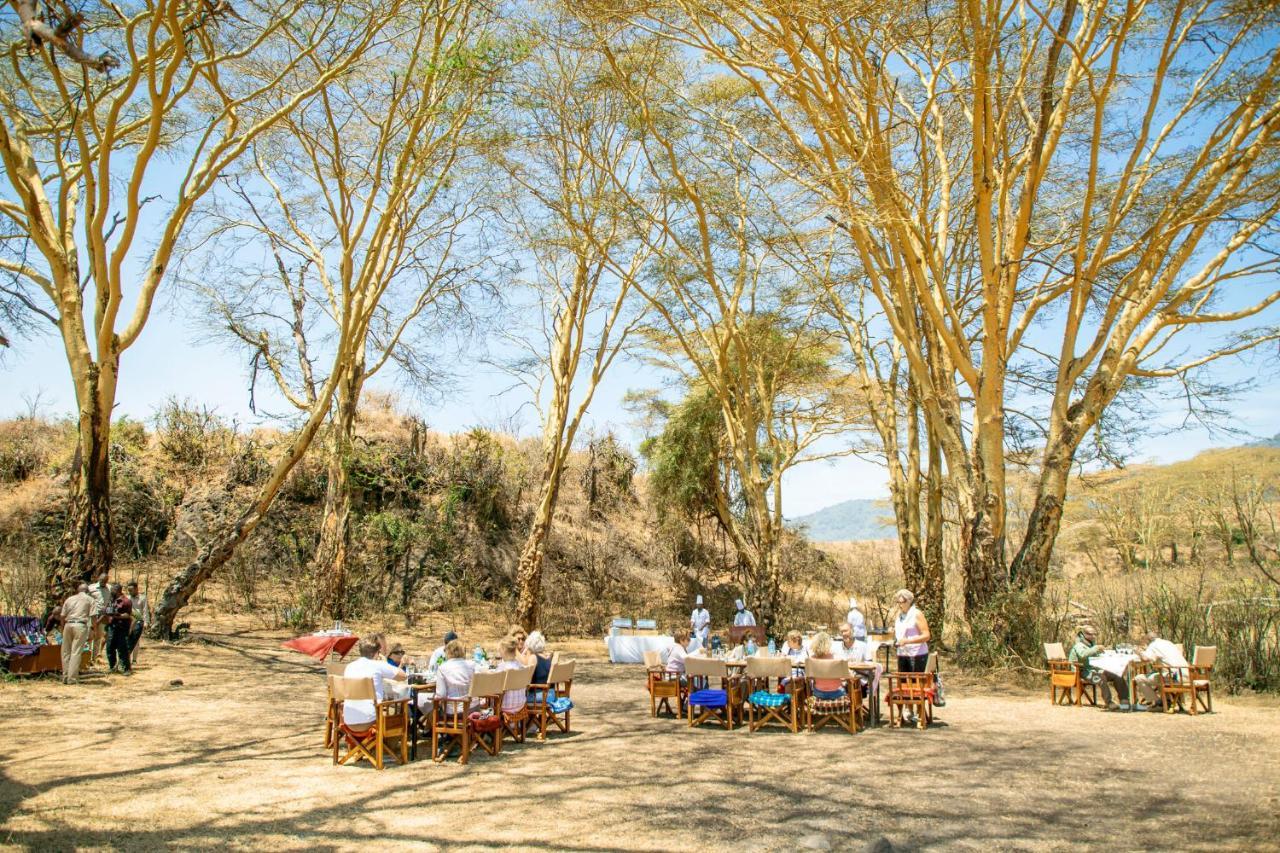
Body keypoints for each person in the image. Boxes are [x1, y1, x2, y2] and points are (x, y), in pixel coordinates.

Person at [341, 634, 408, 727]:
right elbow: (403, 676)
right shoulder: (378, 665)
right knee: (398, 717)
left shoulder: (349, 667)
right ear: (377, 652)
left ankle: (365, 742)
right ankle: (385, 741)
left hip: (348, 720)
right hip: (371, 720)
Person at [1068, 625, 1130, 710]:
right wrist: (1096, 648)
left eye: (1094, 634)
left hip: (1095, 670)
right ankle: (1109, 702)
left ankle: (1124, 701)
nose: (1093, 636)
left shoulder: (1091, 644)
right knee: (1101, 678)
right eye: (1091, 634)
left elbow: (1096, 656)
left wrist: (1105, 651)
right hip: (1082, 672)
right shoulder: (1079, 645)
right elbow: (1083, 655)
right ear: (1084, 634)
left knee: (1117, 674)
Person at [1135, 632, 1189, 708]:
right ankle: (1167, 701)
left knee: (1139, 678)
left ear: (1148, 640)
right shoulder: (1169, 643)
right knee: (1160, 675)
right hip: (1188, 675)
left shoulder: (1153, 645)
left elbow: (1146, 658)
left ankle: (1159, 703)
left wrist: (1139, 652)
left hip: (1175, 678)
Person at [58, 583, 95, 684]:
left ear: (78, 591)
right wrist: (92, 629)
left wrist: (62, 628)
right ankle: (72, 679)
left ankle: (65, 676)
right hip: (80, 625)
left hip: (68, 625)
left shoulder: (69, 599)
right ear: (87, 591)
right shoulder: (90, 600)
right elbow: (93, 616)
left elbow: (62, 616)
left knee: (65, 652)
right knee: (76, 652)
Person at [435, 638, 480, 714]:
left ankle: (419, 725)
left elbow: (441, 694)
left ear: (448, 652)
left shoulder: (442, 668)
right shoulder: (473, 665)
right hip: (474, 707)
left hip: (455, 711)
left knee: (432, 713)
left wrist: (435, 698)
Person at [893, 588, 930, 673]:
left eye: (901, 602)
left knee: (915, 684)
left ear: (908, 602)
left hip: (917, 655)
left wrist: (908, 641)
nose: (899, 605)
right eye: (898, 602)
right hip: (902, 654)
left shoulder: (916, 614)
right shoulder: (899, 615)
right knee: (903, 684)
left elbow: (926, 635)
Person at [807, 632, 847, 700]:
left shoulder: (811, 659)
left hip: (819, 693)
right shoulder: (836, 657)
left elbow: (810, 677)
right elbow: (845, 676)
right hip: (837, 693)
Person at [104, 583, 134, 675]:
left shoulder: (126, 601)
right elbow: (107, 610)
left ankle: (126, 669)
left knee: (122, 648)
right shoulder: (112, 600)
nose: (111, 591)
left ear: (117, 590)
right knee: (110, 647)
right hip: (112, 627)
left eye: (112, 590)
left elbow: (128, 615)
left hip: (121, 627)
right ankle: (112, 667)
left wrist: (118, 615)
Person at [495, 638, 528, 715]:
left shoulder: (503, 667)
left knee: (487, 699)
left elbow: (495, 687)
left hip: (505, 706)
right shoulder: (521, 666)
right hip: (521, 704)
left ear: (503, 651)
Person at [88, 572, 111, 664]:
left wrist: (108, 614)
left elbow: (111, 602)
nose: (103, 582)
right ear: (98, 578)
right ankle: (87, 657)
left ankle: (94, 658)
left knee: (98, 637)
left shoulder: (109, 588)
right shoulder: (91, 588)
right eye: (101, 580)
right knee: (90, 637)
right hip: (92, 615)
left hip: (103, 615)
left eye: (105, 581)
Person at [126, 580, 150, 662]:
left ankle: (134, 659)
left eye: (131, 590)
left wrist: (146, 622)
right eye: (128, 590)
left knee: (136, 641)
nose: (130, 592)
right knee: (127, 640)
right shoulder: (127, 598)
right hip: (129, 621)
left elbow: (145, 610)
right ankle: (126, 658)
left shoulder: (143, 598)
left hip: (139, 622)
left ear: (136, 589)